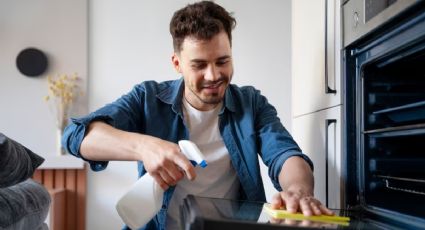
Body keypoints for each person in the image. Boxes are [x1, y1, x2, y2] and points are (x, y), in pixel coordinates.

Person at [62, 1, 334, 229]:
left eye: (222, 61)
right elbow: (75, 136)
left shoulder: (251, 103)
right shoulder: (147, 98)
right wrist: (144, 147)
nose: (213, 75)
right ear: (177, 63)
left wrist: (298, 191)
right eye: (199, 65)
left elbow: (284, 154)